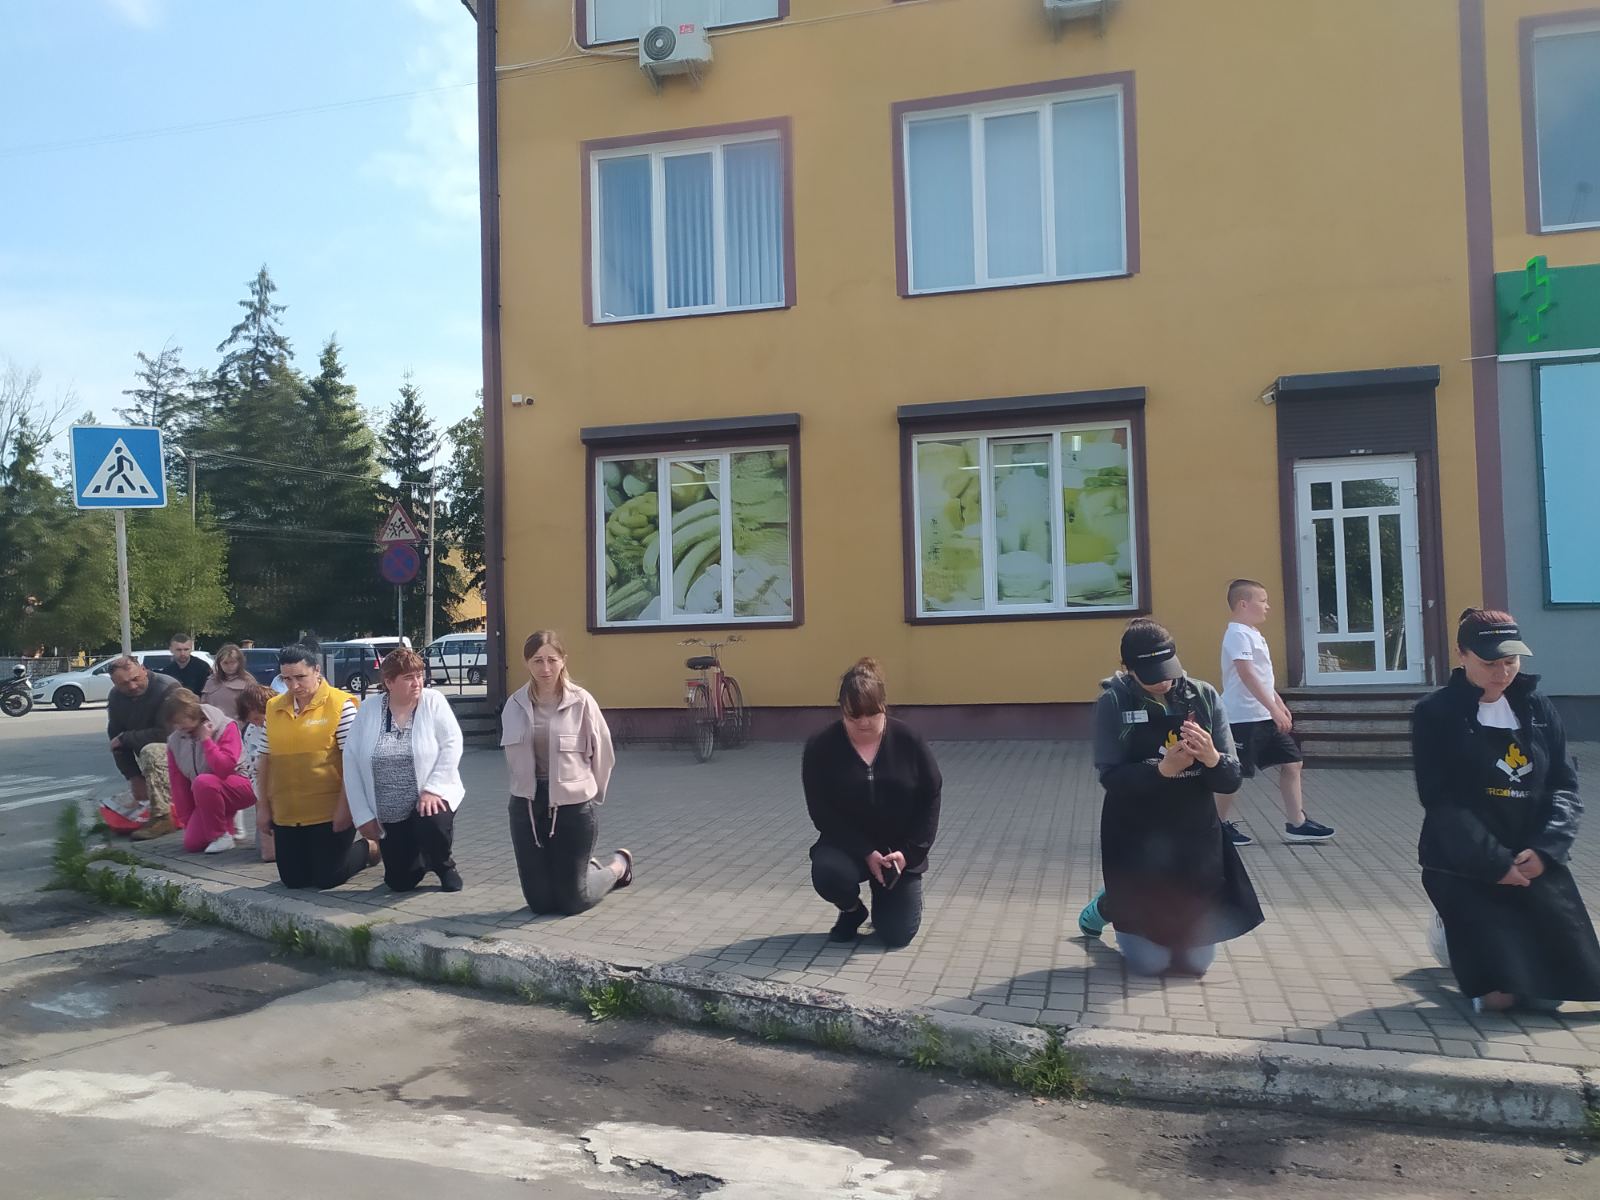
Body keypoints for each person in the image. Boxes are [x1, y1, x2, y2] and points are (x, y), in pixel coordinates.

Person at [1412, 609, 1600, 1013]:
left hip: (1532, 857)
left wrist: (1547, 850)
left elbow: (1564, 787)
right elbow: (1441, 800)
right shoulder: (1435, 713)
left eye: (1510, 661)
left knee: (1550, 998)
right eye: (1490, 663)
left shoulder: (1538, 709)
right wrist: (1493, 862)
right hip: (1464, 864)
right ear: (1462, 654)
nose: (1502, 673)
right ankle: (1447, 931)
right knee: (1500, 1000)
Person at [1079, 619, 1264, 976]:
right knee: (1150, 965)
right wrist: (1161, 770)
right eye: (1152, 675)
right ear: (1127, 668)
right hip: (1135, 833)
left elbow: (1231, 780)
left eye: (1168, 671)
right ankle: (1108, 904)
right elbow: (1111, 778)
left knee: (1195, 964)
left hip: (1192, 832)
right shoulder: (1113, 702)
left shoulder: (1204, 696)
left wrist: (1213, 758)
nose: (1164, 682)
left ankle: (1154, 918)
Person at [802, 658, 942, 949]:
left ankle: (889, 898)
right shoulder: (821, 746)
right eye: (854, 716)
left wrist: (909, 853)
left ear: (884, 707)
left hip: (898, 855)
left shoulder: (908, 740)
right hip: (848, 848)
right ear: (841, 710)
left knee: (896, 936)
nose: (864, 722)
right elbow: (821, 812)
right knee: (827, 872)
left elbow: (930, 795)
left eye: (872, 714)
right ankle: (852, 910)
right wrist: (866, 851)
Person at [500, 631, 631, 916]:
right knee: (540, 904)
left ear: (563, 661)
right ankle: (584, 871)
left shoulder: (581, 702)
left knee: (572, 902)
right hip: (527, 807)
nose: (545, 668)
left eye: (552, 660)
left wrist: (589, 793)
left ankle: (618, 867)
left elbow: (604, 754)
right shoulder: (514, 705)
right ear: (526, 663)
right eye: (537, 660)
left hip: (572, 807)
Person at [1216, 580, 1335, 846]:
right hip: (1243, 718)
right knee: (1233, 774)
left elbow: (1262, 677)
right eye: (1262, 601)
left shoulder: (1253, 633)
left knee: (1292, 762)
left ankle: (1297, 824)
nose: (1267, 606)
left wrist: (1278, 705)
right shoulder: (1237, 634)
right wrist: (1272, 707)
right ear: (1243, 604)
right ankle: (1217, 826)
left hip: (1264, 715)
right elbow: (1247, 674)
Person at [346, 648, 466, 893]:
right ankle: (421, 857)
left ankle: (444, 865)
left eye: (419, 675)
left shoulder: (433, 701)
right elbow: (351, 760)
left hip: (429, 798)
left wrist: (433, 789)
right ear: (389, 682)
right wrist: (362, 814)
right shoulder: (368, 709)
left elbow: (452, 743)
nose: (417, 682)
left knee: (431, 823)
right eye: (409, 677)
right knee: (400, 883)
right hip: (389, 811)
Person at [257, 644, 376, 890]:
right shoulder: (273, 707)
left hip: (328, 811)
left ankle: (370, 848)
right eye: (287, 679)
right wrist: (263, 808)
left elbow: (353, 762)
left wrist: (345, 809)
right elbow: (265, 759)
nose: (294, 685)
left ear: (317, 671)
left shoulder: (341, 704)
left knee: (328, 878)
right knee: (293, 881)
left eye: (300, 677)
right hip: (288, 812)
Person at [161, 687, 255, 854]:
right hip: (207, 795)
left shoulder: (225, 726)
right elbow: (178, 784)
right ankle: (226, 825)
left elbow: (225, 768)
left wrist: (206, 740)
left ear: (194, 715)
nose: (178, 727)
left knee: (203, 781)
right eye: (175, 724)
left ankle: (222, 836)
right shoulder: (175, 741)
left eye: (181, 722)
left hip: (241, 785)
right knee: (192, 844)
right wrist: (188, 820)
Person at [106, 657, 179, 840]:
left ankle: (162, 817)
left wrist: (126, 738)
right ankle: (153, 809)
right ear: (115, 684)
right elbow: (115, 738)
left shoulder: (168, 688)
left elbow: (167, 733)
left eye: (135, 679)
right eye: (124, 684)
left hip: (183, 751)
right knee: (138, 750)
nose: (132, 686)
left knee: (151, 751)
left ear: (144, 670)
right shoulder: (116, 697)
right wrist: (133, 776)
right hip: (150, 756)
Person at [236, 683, 273, 862]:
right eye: (251, 721)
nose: (256, 723)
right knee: (266, 852)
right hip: (263, 789)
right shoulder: (251, 731)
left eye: (258, 718)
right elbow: (253, 768)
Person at [201, 642, 255, 713]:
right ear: (219, 663)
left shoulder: (248, 681)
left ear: (239, 662)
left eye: (233, 662)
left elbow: (254, 709)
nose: (229, 666)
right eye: (225, 663)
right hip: (214, 719)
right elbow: (204, 706)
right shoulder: (211, 681)